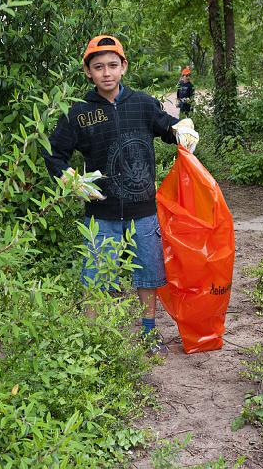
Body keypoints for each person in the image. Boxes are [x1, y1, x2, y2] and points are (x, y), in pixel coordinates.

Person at [43, 35, 199, 357]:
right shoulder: (79, 113)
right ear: (88, 72)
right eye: (98, 67)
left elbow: (168, 128)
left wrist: (181, 129)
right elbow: (54, 152)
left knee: (148, 273)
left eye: (113, 65)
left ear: (123, 66)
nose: (106, 73)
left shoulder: (142, 103)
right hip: (101, 215)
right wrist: (69, 178)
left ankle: (148, 333)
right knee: (96, 279)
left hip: (144, 211)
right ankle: (93, 342)